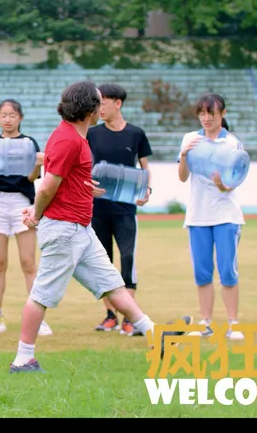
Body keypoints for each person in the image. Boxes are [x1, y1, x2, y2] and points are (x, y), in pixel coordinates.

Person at [11, 80, 167, 374]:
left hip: (80, 230)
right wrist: (36, 213)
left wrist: (84, 189)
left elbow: (65, 179)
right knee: (41, 295)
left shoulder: (75, 137)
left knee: (112, 285)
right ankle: (22, 359)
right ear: (90, 110)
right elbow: (47, 186)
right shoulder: (69, 140)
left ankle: (153, 334)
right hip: (64, 231)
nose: (102, 106)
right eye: (99, 102)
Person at [0, 99, 52, 336]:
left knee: (28, 262)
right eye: (3, 115)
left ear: (20, 118)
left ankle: (38, 319)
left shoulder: (28, 144)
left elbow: (30, 178)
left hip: (22, 204)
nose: (8, 119)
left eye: (12, 115)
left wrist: (37, 165)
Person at [177, 93, 246, 341]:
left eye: (212, 114)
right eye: (202, 114)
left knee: (228, 272)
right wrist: (184, 155)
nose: (206, 119)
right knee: (202, 273)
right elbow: (183, 177)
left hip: (226, 215)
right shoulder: (190, 139)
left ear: (223, 114)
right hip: (197, 216)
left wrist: (223, 186)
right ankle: (205, 322)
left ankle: (233, 323)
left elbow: (235, 181)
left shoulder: (233, 144)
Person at [87, 83, 153, 336]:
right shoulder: (92, 134)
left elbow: (145, 168)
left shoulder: (136, 134)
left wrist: (147, 191)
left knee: (127, 259)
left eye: (104, 102)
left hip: (125, 210)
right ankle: (110, 315)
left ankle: (130, 318)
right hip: (97, 209)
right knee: (103, 263)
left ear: (118, 104)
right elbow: (85, 167)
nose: (99, 108)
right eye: (97, 103)